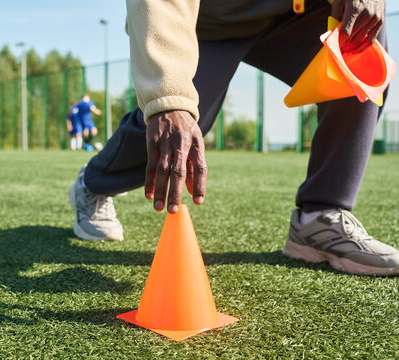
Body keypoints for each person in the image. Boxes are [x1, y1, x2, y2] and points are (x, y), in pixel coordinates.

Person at [68, 0, 399, 275]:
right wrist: (166, 100)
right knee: (176, 123)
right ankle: (92, 184)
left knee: (361, 35)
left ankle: (319, 217)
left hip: (296, 13)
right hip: (205, 23)